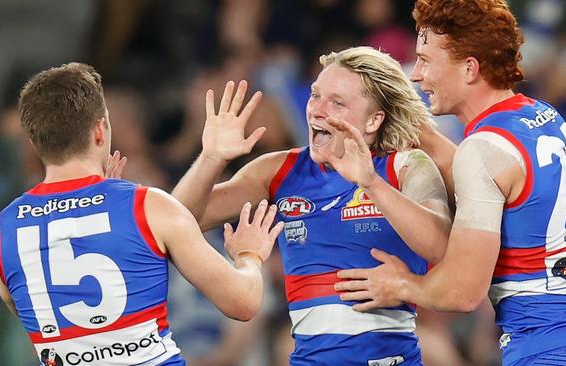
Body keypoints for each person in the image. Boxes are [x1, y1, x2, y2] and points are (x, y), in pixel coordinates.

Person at [333, 1, 566, 365]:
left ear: (469, 68)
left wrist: (401, 284)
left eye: (426, 60)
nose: (417, 76)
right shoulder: (542, 114)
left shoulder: (482, 150)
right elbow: (490, 175)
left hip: (548, 352)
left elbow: (462, 293)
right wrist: (424, 136)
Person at [0, 63, 283, 366]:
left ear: (35, 142)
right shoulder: (145, 206)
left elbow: (30, 306)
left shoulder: (1, 230)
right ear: (100, 130)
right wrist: (250, 253)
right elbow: (243, 303)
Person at [172, 46, 452, 365]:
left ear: (374, 120)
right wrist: (211, 158)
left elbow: (440, 248)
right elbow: (174, 224)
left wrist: (371, 183)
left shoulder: (406, 166)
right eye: (315, 95)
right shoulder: (279, 170)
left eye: (337, 102)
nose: (317, 110)